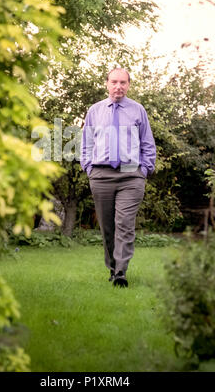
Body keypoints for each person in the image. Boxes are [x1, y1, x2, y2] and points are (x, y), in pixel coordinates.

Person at [80, 68, 156, 287]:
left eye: (123, 82)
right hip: (101, 174)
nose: (118, 86)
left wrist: (144, 169)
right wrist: (89, 168)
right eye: (114, 82)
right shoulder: (95, 111)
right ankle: (113, 269)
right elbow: (86, 143)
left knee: (124, 223)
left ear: (129, 85)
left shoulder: (137, 110)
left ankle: (121, 272)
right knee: (107, 227)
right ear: (107, 83)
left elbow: (147, 143)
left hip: (131, 174)